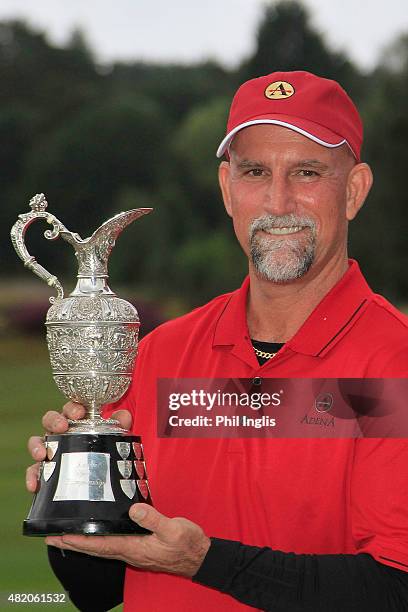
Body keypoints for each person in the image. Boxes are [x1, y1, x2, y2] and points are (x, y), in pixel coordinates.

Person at [27, 71, 408, 611]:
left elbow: (395, 591)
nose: (278, 201)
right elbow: (99, 591)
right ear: (228, 189)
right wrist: (72, 501)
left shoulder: (392, 366)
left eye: (306, 171)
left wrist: (203, 561)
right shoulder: (160, 354)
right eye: (255, 171)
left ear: (353, 191)